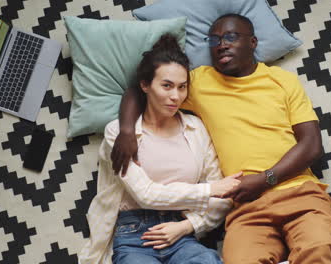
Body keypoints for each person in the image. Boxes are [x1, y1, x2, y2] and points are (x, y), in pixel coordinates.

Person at [112, 14, 331, 264]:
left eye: (231, 37)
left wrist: (265, 179)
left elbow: (311, 145)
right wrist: (126, 131)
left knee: (317, 249)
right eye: (214, 40)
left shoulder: (282, 80)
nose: (221, 44)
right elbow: (138, 89)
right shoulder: (197, 82)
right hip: (246, 207)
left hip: (299, 193)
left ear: (252, 42)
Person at [78, 34, 242, 264]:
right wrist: (210, 189)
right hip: (133, 235)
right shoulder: (119, 133)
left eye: (182, 87)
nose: (175, 97)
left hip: (181, 234)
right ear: (145, 85)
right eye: (166, 86)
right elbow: (146, 195)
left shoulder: (196, 129)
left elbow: (223, 199)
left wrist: (187, 226)